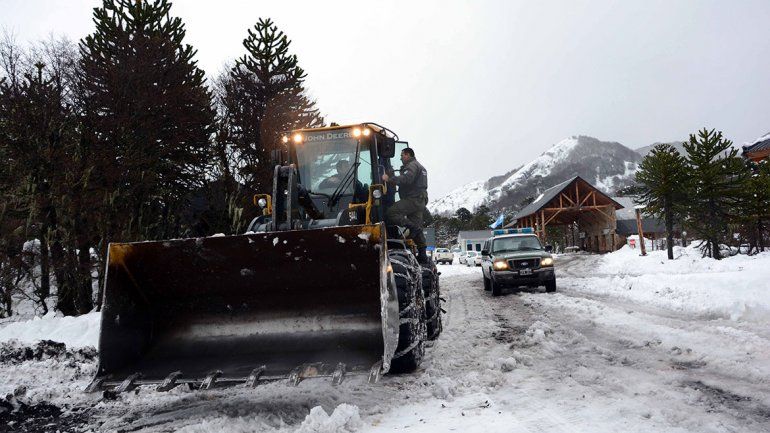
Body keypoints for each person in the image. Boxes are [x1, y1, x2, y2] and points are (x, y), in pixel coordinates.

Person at [382, 147, 429, 263]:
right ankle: (423, 254)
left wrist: (389, 179)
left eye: (402, 155)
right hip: (420, 200)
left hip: (412, 199)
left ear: (408, 155)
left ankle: (411, 226)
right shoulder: (420, 166)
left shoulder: (412, 165)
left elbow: (407, 179)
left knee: (391, 213)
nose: (401, 157)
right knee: (418, 228)